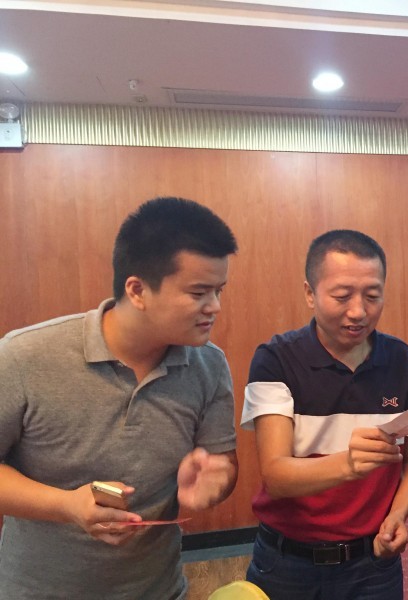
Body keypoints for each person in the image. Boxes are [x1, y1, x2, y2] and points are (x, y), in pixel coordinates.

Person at [0, 197, 239, 599]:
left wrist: (216, 480)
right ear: (138, 290)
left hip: (158, 589)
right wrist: (66, 506)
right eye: (199, 292)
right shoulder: (24, 357)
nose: (214, 307)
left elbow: (224, 463)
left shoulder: (209, 366)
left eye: (219, 291)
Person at [240, 229, 408, 600]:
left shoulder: (401, 360)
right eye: (342, 296)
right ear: (310, 293)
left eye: (372, 296)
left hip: (373, 564)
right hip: (287, 562)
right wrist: (349, 464)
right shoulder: (276, 359)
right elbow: (276, 476)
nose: (358, 311)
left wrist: (398, 515)